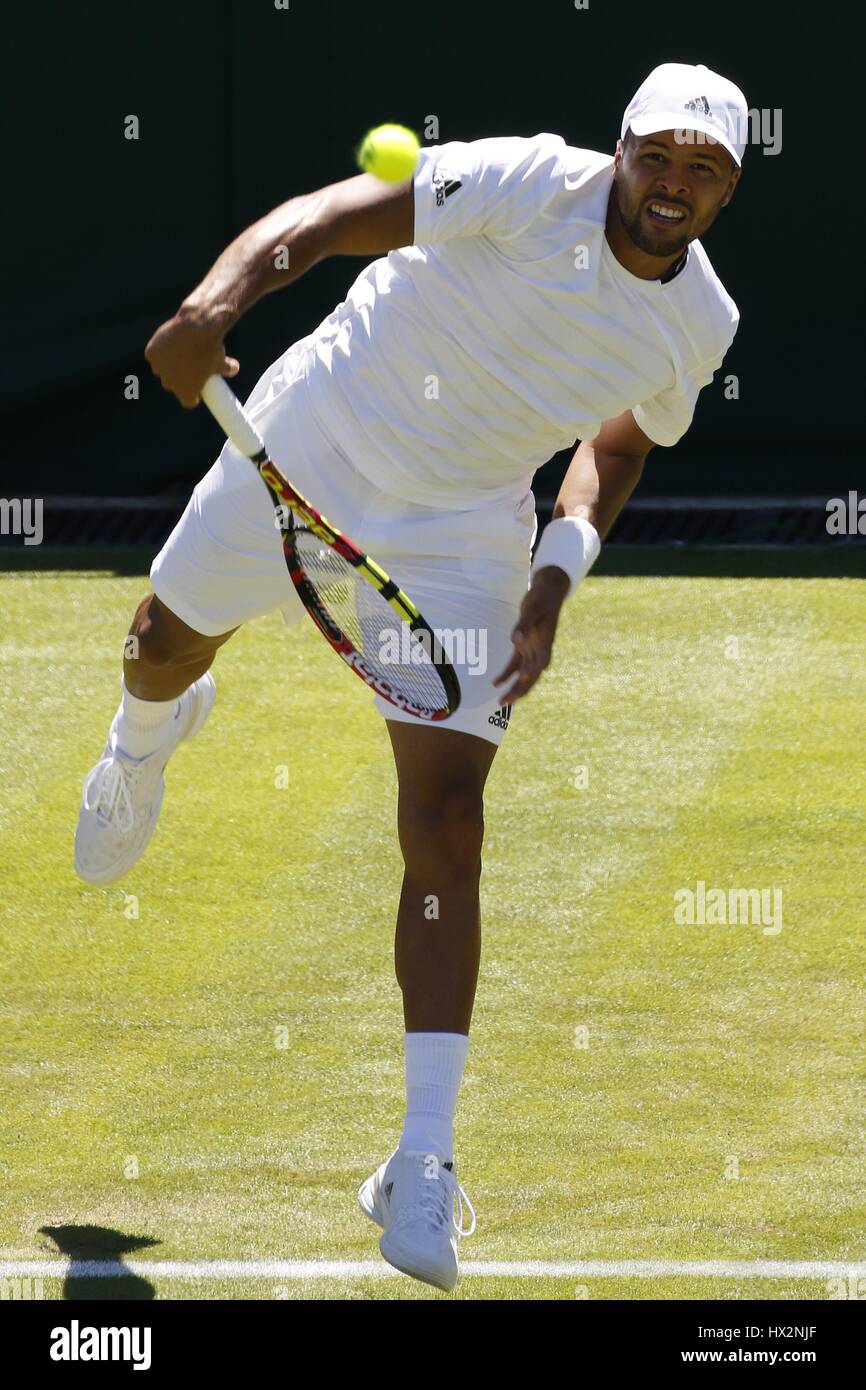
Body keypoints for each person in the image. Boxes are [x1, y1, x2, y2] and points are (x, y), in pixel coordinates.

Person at [75, 62, 746, 1292]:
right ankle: (138, 745)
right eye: (657, 155)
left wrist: (553, 575)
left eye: (702, 168)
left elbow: (618, 444)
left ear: (727, 189)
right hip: (322, 425)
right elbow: (329, 218)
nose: (672, 183)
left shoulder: (696, 324)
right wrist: (211, 306)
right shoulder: (525, 180)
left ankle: (421, 1161)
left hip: (462, 535)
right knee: (161, 643)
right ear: (619, 149)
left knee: (448, 821)